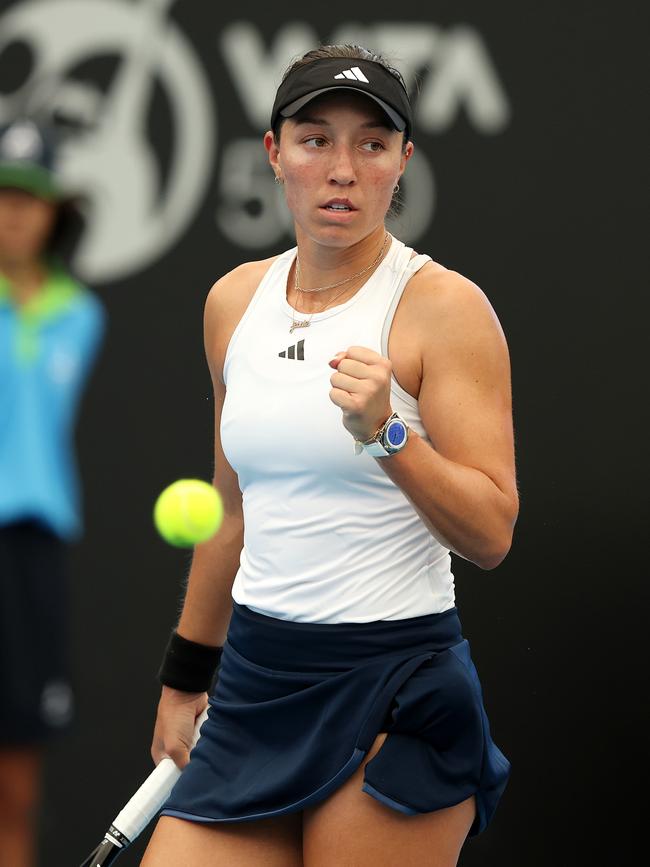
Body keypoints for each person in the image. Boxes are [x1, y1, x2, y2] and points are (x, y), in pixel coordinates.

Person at [142, 44, 518, 867]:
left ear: (401, 164)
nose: (342, 168)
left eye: (372, 144)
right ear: (274, 154)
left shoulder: (446, 310)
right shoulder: (232, 302)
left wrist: (390, 433)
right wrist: (184, 678)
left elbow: (490, 531)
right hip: (253, 685)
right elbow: (231, 508)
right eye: (316, 140)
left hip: (394, 690)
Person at [0, 118, 105, 867]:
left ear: (54, 211)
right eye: (2, 195)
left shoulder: (80, 315)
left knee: (15, 781)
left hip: (32, 552)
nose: (14, 211)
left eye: (31, 197)